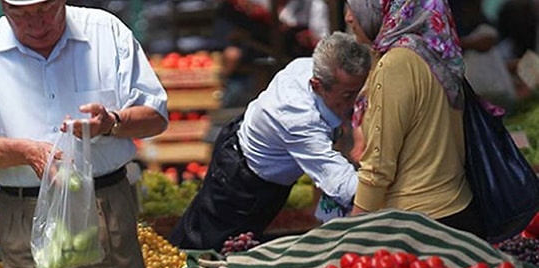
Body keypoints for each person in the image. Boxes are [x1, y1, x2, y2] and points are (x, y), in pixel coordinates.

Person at [0, 0, 168, 268]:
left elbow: (155, 116)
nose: (36, 24)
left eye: (45, 10)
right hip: (25, 214)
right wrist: (27, 152)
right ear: (2, 6)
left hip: (104, 206)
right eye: (20, 14)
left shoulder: (105, 32)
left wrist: (112, 123)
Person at [168, 31, 371, 252]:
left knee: (213, 228)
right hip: (243, 179)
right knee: (211, 246)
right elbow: (342, 184)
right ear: (317, 85)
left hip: (249, 150)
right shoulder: (297, 117)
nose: (355, 102)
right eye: (348, 96)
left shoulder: (310, 66)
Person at [346, 0, 485, 239]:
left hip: (419, 224)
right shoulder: (435, 51)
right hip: (457, 208)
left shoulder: (396, 63)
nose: (349, 17)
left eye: (356, 7)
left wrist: (352, 235)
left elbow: (378, 168)